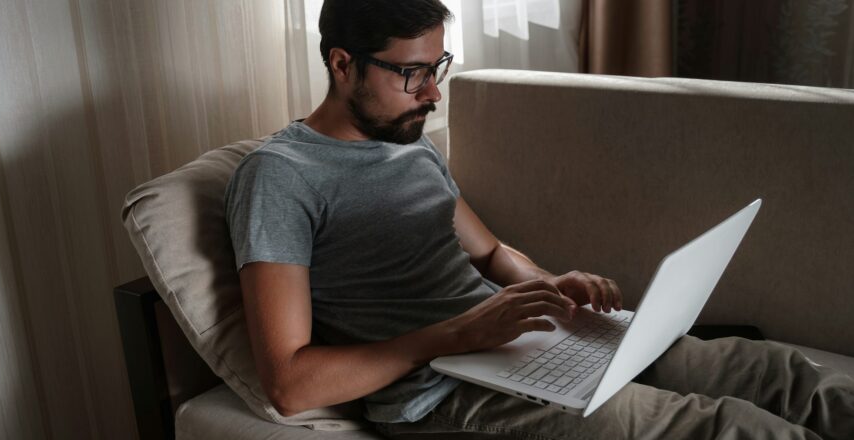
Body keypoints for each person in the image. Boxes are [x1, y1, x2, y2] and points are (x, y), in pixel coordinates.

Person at [224, 1, 854, 438]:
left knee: (767, 370)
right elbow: (291, 384)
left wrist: (550, 286)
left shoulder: (408, 142)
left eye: (436, 68)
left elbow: (492, 254)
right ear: (341, 63)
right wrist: (456, 335)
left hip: (524, 347)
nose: (434, 94)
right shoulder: (280, 178)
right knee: (722, 428)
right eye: (412, 73)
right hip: (440, 392)